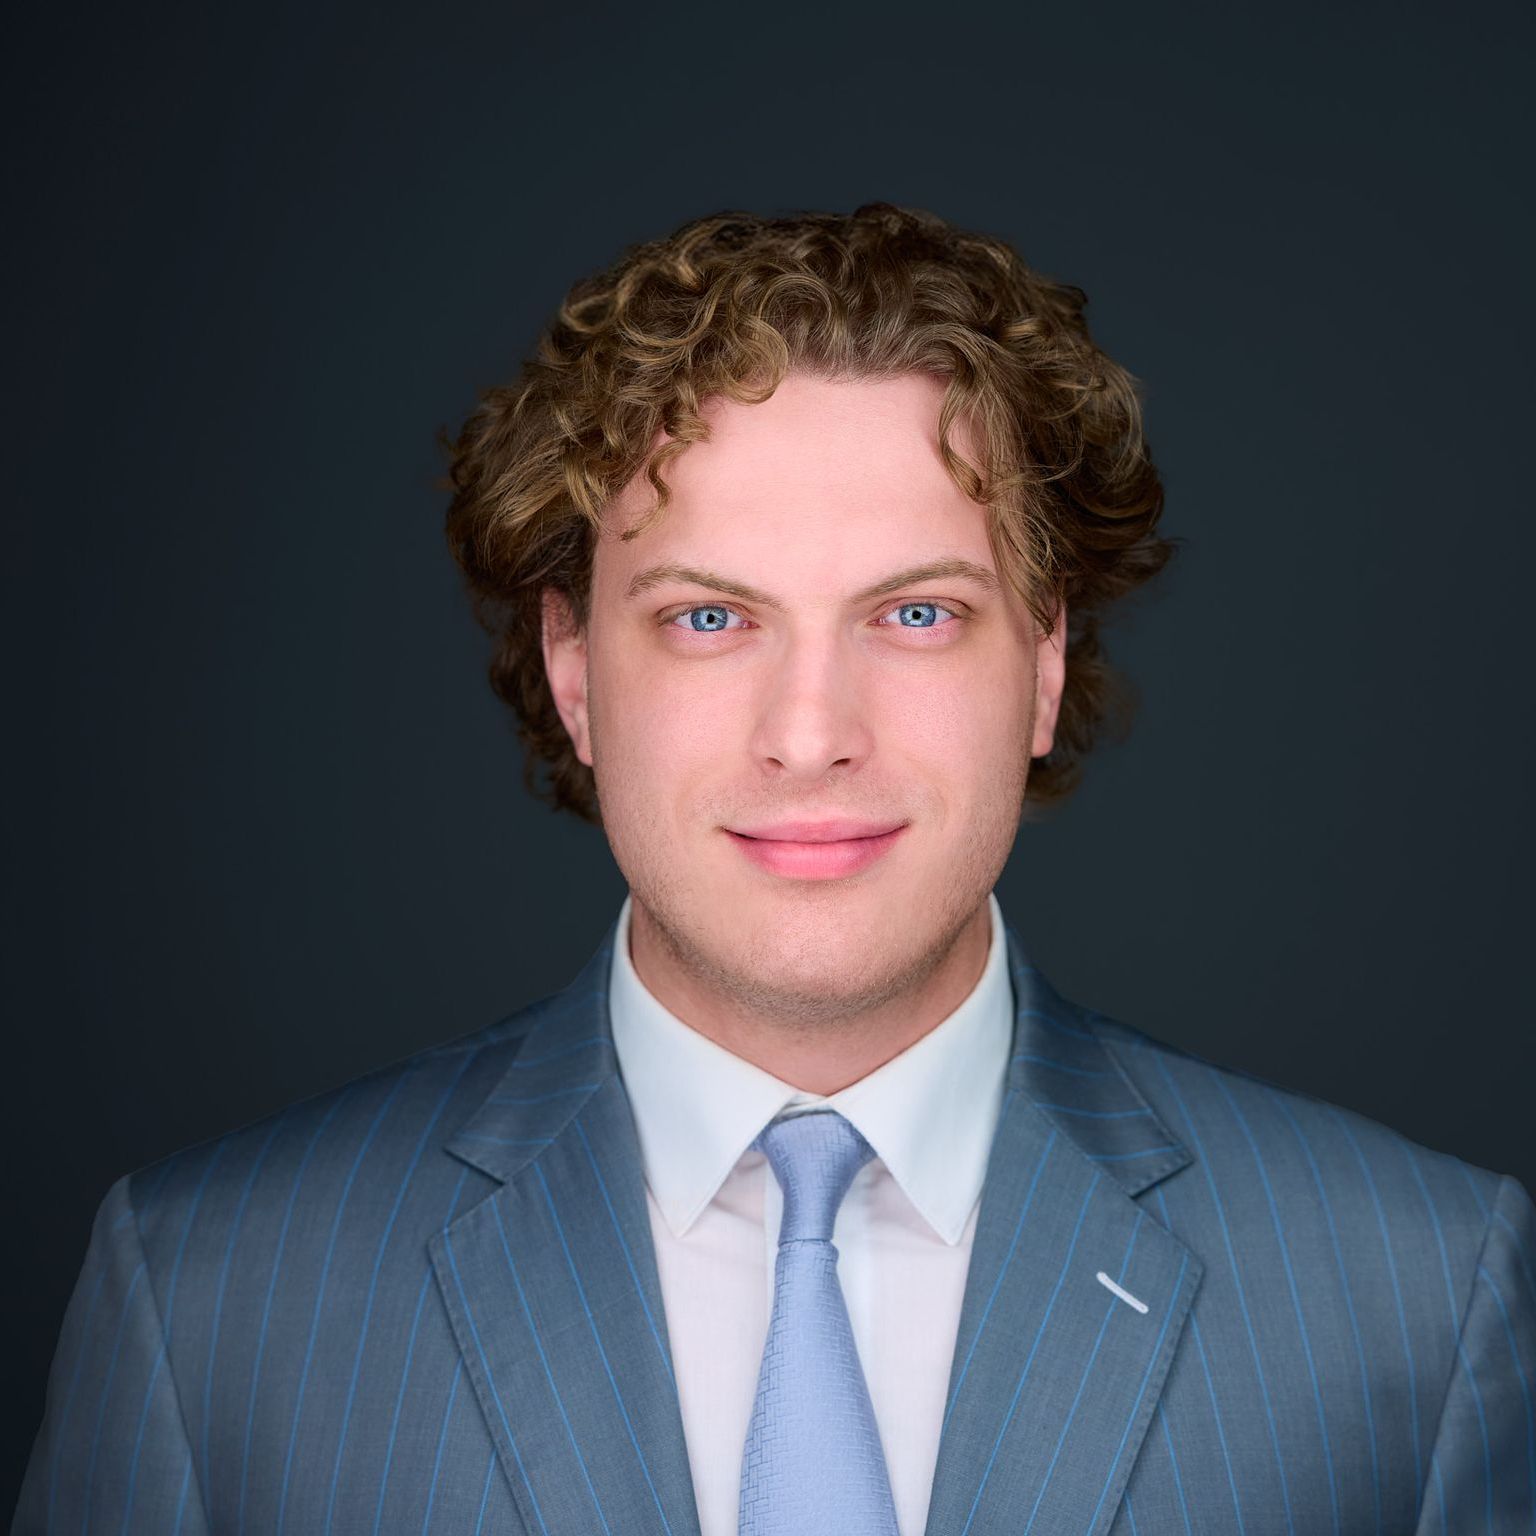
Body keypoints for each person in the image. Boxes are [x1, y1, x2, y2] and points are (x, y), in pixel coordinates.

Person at [14, 204, 1534, 1536]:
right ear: (574, 670)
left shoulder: (1415, 1297)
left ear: (1048, 659)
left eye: (919, 615)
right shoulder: (211, 1303)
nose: (812, 736)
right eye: (707, 619)